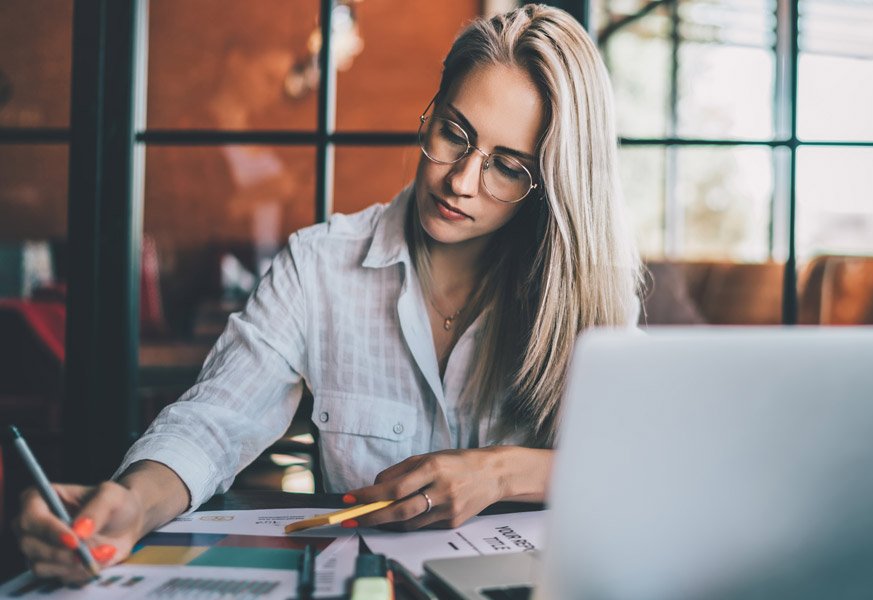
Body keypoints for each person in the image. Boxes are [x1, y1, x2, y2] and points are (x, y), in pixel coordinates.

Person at [14, 5, 641, 583]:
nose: (461, 180)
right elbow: (213, 422)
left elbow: (649, 464)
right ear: (432, 111)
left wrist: (501, 470)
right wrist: (131, 502)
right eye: (455, 133)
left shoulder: (588, 295)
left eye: (507, 166)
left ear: (552, 185)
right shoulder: (319, 264)